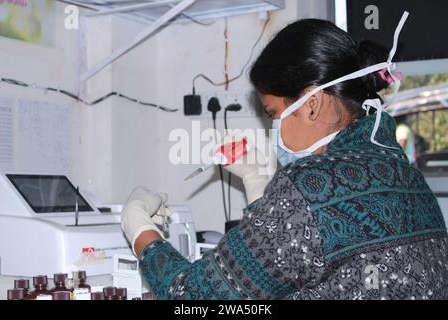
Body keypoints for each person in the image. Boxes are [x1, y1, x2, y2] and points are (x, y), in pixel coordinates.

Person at [121, 17, 448, 300]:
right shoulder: (405, 175)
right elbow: (302, 254)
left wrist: (139, 229)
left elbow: (192, 295)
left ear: (311, 103)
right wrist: (256, 182)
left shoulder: (309, 185)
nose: (275, 128)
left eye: (274, 114)